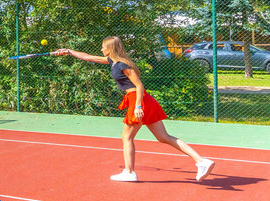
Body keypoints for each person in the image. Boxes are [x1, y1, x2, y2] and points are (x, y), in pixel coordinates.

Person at [54, 38, 214, 182]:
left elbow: (139, 85)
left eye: (103, 47)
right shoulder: (113, 61)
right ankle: (201, 161)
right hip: (145, 100)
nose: (101, 50)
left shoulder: (122, 65)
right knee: (164, 137)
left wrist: (138, 106)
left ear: (110, 48)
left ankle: (129, 172)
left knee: (127, 138)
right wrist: (68, 52)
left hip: (139, 100)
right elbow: (88, 57)